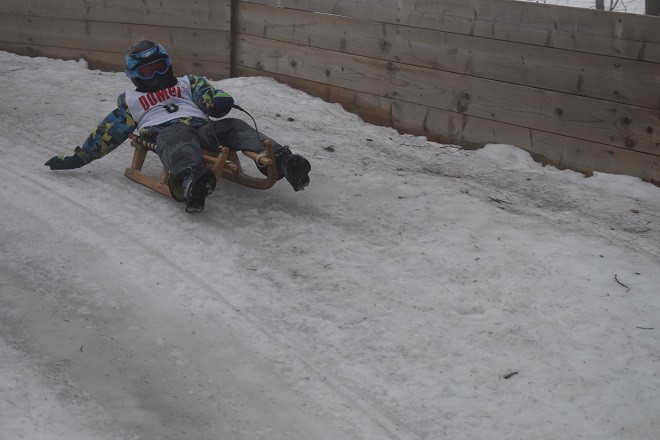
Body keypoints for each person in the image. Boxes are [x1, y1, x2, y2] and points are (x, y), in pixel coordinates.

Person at [45, 40, 311, 213]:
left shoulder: (186, 83)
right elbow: (108, 132)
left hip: (203, 128)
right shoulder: (131, 101)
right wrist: (79, 158)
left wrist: (217, 102)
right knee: (177, 137)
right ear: (136, 76)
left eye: (160, 67)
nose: (157, 75)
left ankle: (283, 161)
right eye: (148, 72)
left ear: (168, 64)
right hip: (164, 132)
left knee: (233, 125)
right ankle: (188, 179)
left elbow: (207, 93)